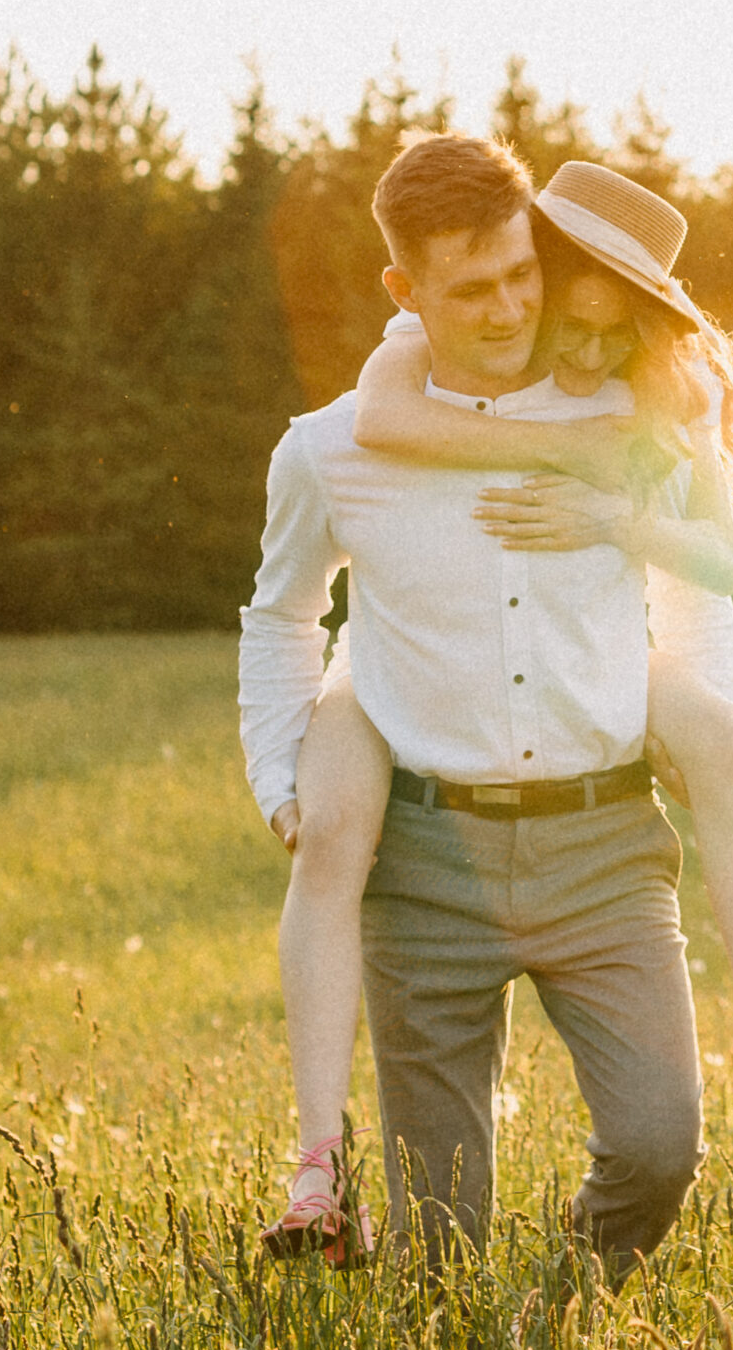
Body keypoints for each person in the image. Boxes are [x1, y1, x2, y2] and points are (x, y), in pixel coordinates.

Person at [345, 158, 733, 1172]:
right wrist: (578, 441)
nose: (584, 351)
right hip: (481, 659)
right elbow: (380, 417)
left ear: (644, 320)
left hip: (614, 646)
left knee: (722, 743)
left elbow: (714, 570)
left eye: (610, 332)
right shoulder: (448, 338)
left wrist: (617, 518)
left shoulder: (672, 392)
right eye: (568, 323)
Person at [237, 133, 701, 1275]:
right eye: (470, 289)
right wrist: (283, 773)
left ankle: (569, 1301)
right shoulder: (329, 450)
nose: (505, 309)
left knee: (657, 1148)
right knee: (439, 1236)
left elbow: (704, 573)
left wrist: (715, 718)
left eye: (519, 274)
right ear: (406, 293)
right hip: (428, 863)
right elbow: (280, 612)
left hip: (604, 846)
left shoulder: (617, 419)